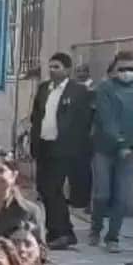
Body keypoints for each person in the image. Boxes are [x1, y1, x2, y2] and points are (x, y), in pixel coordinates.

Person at [30, 52, 93, 249]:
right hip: (44, 145)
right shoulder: (43, 89)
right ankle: (54, 231)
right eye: (51, 66)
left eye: (56, 67)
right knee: (43, 189)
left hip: (64, 148)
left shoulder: (78, 91)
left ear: (67, 70)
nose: (52, 70)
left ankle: (65, 232)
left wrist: (77, 148)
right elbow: (36, 117)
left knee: (53, 188)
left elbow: (84, 122)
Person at [89, 51, 133, 252]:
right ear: (114, 69)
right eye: (122, 69)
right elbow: (107, 119)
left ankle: (112, 237)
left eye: (131, 69)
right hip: (105, 148)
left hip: (129, 150)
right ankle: (95, 229)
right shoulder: (105, 88)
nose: (126, 73)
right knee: (102, 194)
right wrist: (120, 142)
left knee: (122, 197)